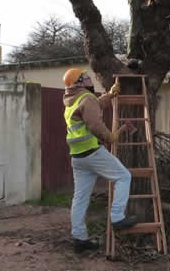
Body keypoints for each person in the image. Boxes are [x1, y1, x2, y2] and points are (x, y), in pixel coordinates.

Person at [62, 68, 138, 254]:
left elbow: (94, 105)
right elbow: (94, 122)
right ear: (80, 82)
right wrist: (110, 136)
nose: (90, 78)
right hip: (92, 153)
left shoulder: (71, 100)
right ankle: (117, 217)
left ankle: (79, 239)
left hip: (78, 157)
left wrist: (110, 94)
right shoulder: (86, 99)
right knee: (123, 176)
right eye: (86, 77)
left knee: (80, 198)